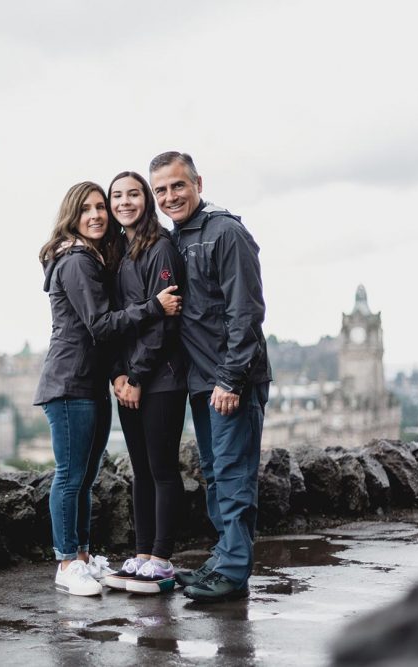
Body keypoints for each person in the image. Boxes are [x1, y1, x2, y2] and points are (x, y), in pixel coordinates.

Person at [34, 181, 181, 597]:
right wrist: (154, 306)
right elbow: (100, 324)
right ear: (72, 216)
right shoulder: (79, 261)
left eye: (102, 206)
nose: (98, 214)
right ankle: (67, 562)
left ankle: (80, 556)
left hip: (88, 382)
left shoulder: (95, 258)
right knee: (70, 477)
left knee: (84, 477)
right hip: (70, 382)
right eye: (88, 209)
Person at [149, 152, 271, 602]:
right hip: (202, 381)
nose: (169, 197)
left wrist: (231, 379)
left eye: (177, 186)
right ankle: (223, 560)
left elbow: (246, 312)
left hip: (229, 380)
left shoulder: (226, 232)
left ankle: (234, 572)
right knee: (217, 476)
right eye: (160, 190)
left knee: (235, 476)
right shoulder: (177, 238)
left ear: (198, 182)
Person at [100, 172, 188, 595]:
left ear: (146, 200)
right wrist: (117, 374)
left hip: (162, 380)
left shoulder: (160, 248)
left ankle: (162, 558)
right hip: (128, 380)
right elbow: (115, 322)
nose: (124, 202)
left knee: (162, 468)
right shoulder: (118, 253)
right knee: (140, 470)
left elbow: (163, 327)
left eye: (133, 194)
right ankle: (141, 552)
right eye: (117, 195)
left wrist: (135, 376)